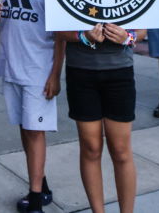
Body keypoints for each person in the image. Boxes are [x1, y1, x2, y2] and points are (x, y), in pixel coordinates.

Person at [0, 0, 64, 213]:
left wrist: (55, 75)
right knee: (25, 127)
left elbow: (60, 37)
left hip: (38, 71)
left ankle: (34, 198)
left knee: (35, 131)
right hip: (11, 68)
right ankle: (40, 184)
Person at [58, 23, 145, 213]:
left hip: (120, 71)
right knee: (91, 148)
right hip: (81, 71)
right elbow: (57, 28)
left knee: (121, 150)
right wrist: (83, 37)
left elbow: (144, 26)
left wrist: (127, 38)